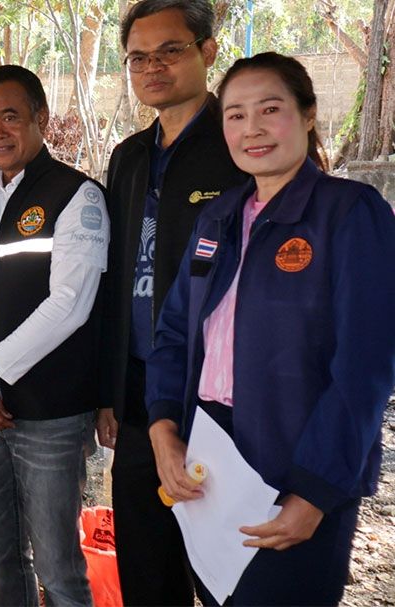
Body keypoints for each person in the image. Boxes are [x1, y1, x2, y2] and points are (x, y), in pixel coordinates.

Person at [146, 52, 395, 606]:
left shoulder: (350, 213)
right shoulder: (217, 218)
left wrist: (314, 491)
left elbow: (364, 371)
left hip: (295, 462)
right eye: (235, 115)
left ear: (308, 115)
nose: (251, 128)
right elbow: (175, 335)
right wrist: (163, 430)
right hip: (209, 462)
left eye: (270, 109)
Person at [0, 64, 108, 607]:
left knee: (58, 566)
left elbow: (70, 306)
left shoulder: (77, 196)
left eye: (10, 117)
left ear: (40, 118)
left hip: (49, 415)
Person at [97, 1, 248, 603]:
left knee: (224, 572)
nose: (152, 66)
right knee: (146, 567)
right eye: (139, 57)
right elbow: (114, 282)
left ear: (208, 52)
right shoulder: (129, 157)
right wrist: (108, 391)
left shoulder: (240, 144)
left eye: (170, 50)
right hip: (138, 396)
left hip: (221, 400)